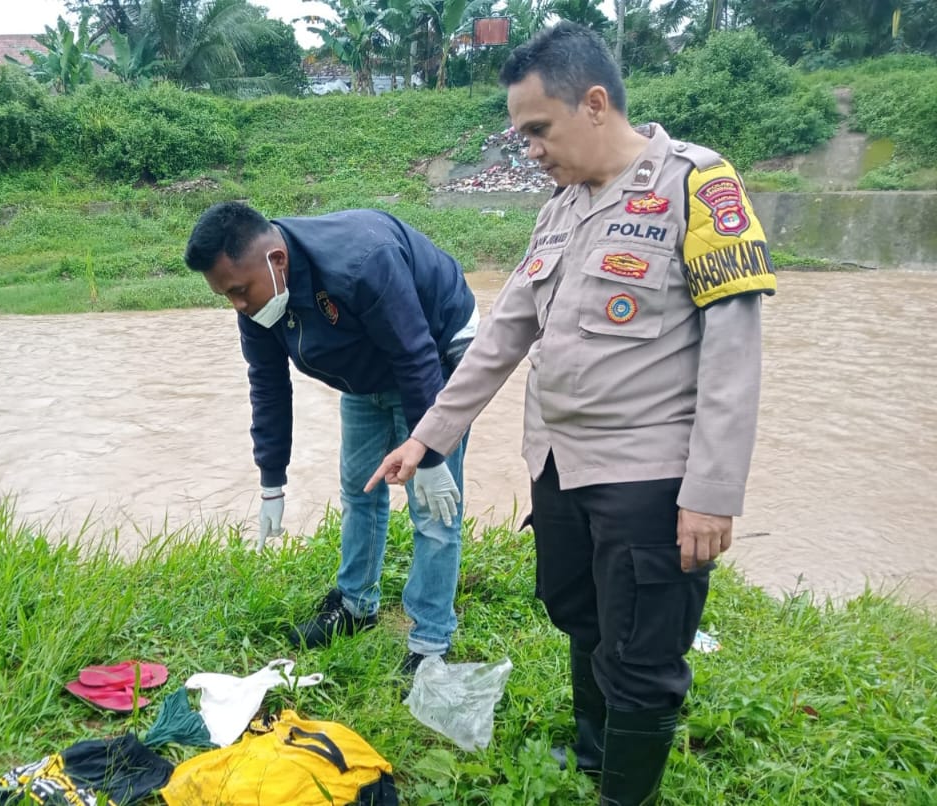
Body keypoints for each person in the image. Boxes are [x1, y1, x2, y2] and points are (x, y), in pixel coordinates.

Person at [368, 22, 775, 805]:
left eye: (536, 130)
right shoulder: (561, 208)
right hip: (560, 465)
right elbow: (503, 335)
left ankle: (626, 793)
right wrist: (427, 438)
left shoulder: (699, 185)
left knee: (644, 653)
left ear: (594, 104)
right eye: (521, 135)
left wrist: (712, 493)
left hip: (649, 478)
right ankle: (595, 759)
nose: (529, 151)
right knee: (580, 617)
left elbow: (734, 353)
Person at [183, 202, 479, 678]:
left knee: (433, 509)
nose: (237, 304)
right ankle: (356, 605)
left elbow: (416, 354)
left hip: (436, 351)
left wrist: (433, 451)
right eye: (226, 296)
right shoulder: (259, 304)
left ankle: (429, 640)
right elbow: (268, 385)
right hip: (364, 373)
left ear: (277, 261)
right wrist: (271, 482)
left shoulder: (363, 261)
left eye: (239, 291)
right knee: (360, 489)